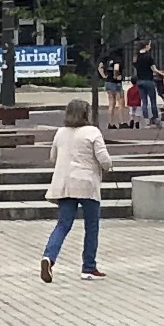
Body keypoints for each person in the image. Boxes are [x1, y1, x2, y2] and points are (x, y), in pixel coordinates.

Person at [39, 97, 113, 282]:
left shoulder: (60, 133)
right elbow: (104, 160)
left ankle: (49, 256)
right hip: (87, 184)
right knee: (91, 226)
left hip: (65, 184)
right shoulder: (92, 132)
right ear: (85, 113)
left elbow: (53, 157)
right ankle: (88, 267)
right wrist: (109, 166)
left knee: (63, 224)